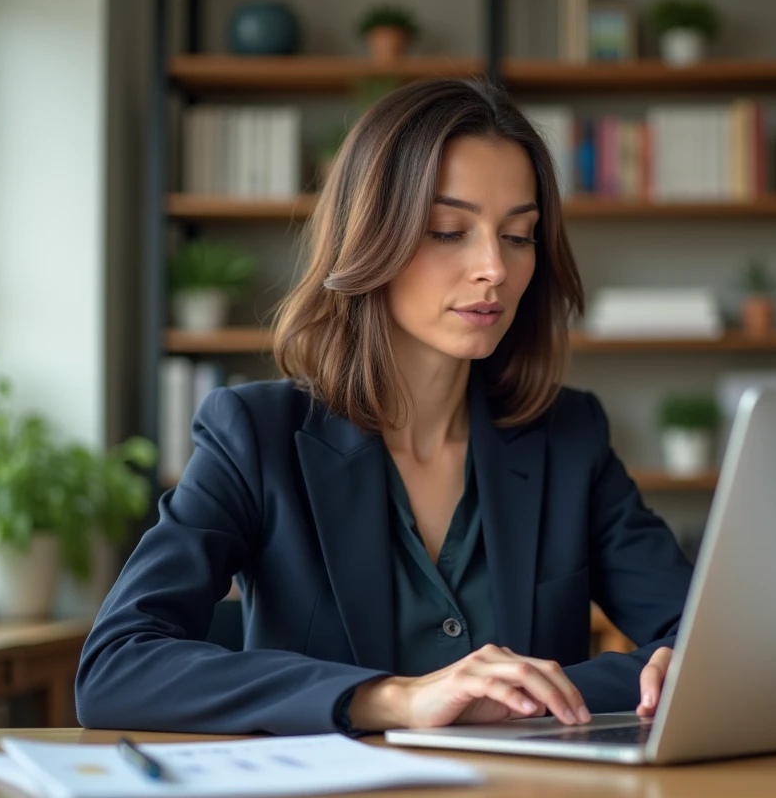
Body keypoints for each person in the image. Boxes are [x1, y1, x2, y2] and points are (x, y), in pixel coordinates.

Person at [76, 78, 694, 736]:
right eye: (448, 230)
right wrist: (392, 699)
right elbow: (117, 666)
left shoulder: (570, 436)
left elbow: (700, 641)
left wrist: (534, 692)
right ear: (372, 238)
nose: (494, 268)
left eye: (518, 236)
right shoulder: (253, 436)